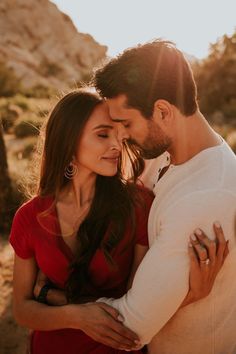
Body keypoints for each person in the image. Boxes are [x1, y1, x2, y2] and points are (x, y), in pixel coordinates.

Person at [10, 89, 227, 354]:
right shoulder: (28, 217)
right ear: (68, 141)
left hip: (117, 348)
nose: (116, 144)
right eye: (103, 135)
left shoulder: (137, 205)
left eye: (117, 134)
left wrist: (192, 294)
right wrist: (75, 316)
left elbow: (137, 303)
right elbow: (21, 309)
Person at [92, 39, 236, 353]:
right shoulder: (168, 153)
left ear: (162, 111)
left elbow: (130, 327)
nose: (122, 136)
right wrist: (189, 294)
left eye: (127, 123)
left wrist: (51, 300)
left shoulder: (205, 196)